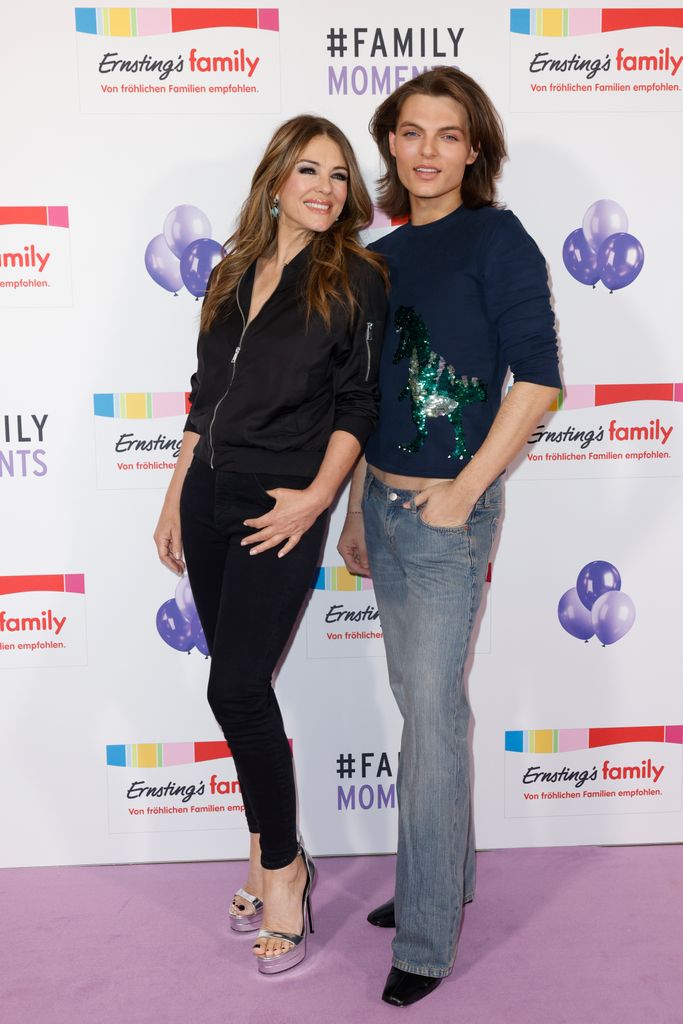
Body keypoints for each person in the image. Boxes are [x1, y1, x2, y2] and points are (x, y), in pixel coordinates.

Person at [338, 68, 561, 1007]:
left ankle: (426, 940)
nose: (428, 151)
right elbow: (369, 395)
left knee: (428, 725)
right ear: (390, 144)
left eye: (449, 135)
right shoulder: (379, 256)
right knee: (426, 711)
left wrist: (463, 492)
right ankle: (447, 876)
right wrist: (355, 507)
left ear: (475, 151)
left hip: (442, 517)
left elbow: (538, 382)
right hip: (384, 513)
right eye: (412, 132)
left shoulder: (497, 238)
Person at [154, 114, 386, 976]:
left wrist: (318, 502)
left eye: (338, 175)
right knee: (237, 693)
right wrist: (176, 491)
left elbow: (360, 405)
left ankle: (285, 873)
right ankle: (264, 847)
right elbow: (203, 393)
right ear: (275, 180)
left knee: (238, 687)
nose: (325, 188)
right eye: (308, 171)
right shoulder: (228, 270)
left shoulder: (356, 277)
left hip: (282, 503)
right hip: (209, 492)